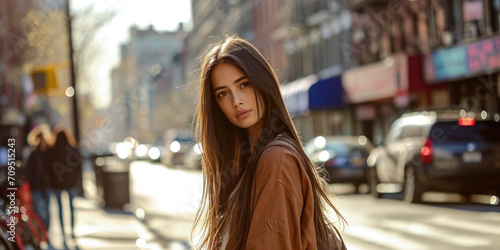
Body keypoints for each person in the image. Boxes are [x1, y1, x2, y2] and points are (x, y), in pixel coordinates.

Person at [192, 34, 347, 249]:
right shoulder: (247, 160)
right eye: (223, 93)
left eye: (244, 84)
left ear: (262, 82)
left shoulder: (277, 158)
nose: (236, 101)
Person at [45, 126, 82, 243]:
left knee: (60, 209)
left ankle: (62, 233)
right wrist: (75, 180)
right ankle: (72, 231)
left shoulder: (52, 150)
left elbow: (48, 168)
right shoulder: (72, 148)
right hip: (70, 183)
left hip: (56, 184)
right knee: (71, 207)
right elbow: (78, 165)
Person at [25, 126, 52, 229]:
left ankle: (46, 230)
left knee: (47, 209)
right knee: (39, 210)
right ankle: (41, 230)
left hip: (47, 185)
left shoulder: (49, 153)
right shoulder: (33, 154)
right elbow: (29, 170)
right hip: (36, 185)